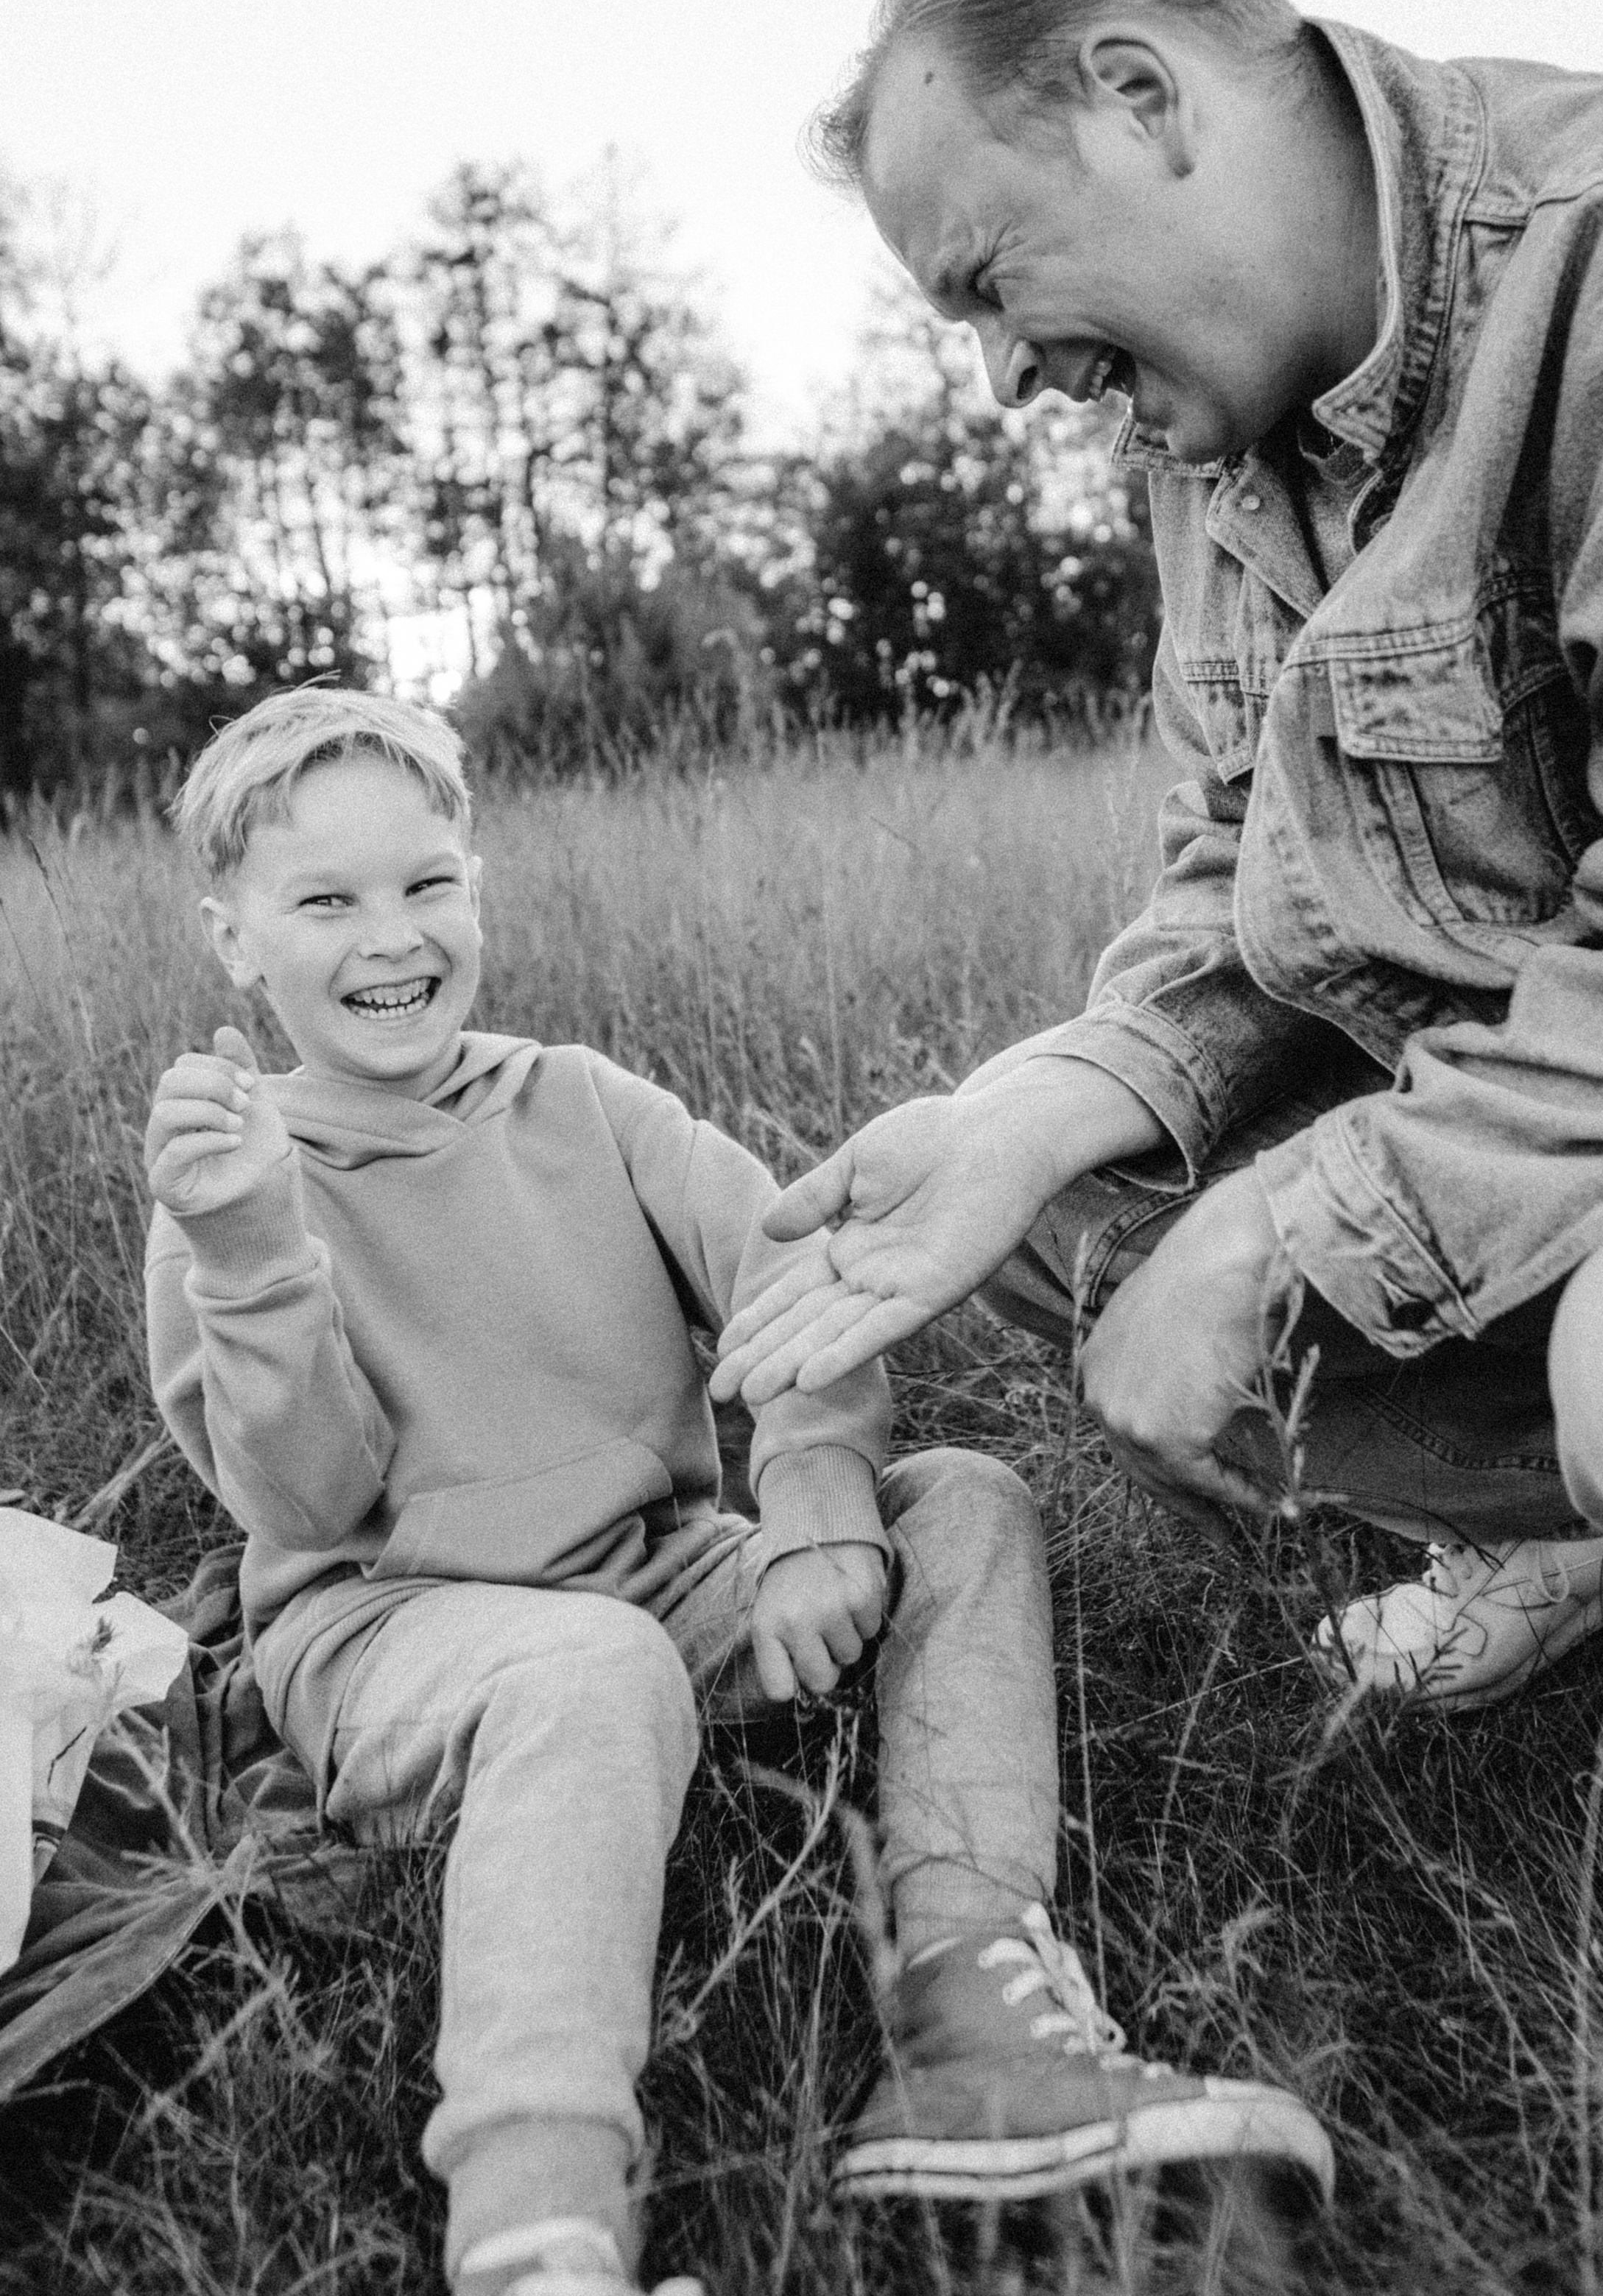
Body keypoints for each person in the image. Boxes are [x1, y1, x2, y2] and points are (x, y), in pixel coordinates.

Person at [714, 0, 1603, 1773]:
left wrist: (1279, 1232)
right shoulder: (1219, 433)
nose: (1002, 377)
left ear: (1138, 96)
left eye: (985, 282)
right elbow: (1238, 869)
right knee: (1022, 1189)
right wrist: (1039, 1109)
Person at [142, 687, 1333, 2296]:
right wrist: (247, 1252)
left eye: (427, 882)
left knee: (960, 1500)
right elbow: (304, 1499)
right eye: (325, 901)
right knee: (590, 1667)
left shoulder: (580, 1105)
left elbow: (799, 1294)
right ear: (233, 941)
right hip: (386, 1628)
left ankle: (965, 1998)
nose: (392, 935)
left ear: (476, 886)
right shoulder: (235, 1180)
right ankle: (536, 2221)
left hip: (651, 1572)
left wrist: (820, 1507)